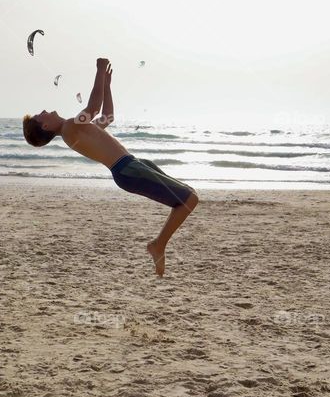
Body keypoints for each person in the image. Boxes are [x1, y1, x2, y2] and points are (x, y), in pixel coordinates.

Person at [22, 58, 198, 276]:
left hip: (133, 165)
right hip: (127, 169)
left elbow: (107, 117)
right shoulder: (69, 128)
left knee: (185, 199)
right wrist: (98, 70)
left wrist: (106, 84)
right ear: (46, 125)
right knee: (190, 199)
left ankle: (159, 244)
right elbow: (93, 108)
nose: (44, 110)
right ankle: (158, 245)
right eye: (41, 115)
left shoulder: (77, 130)